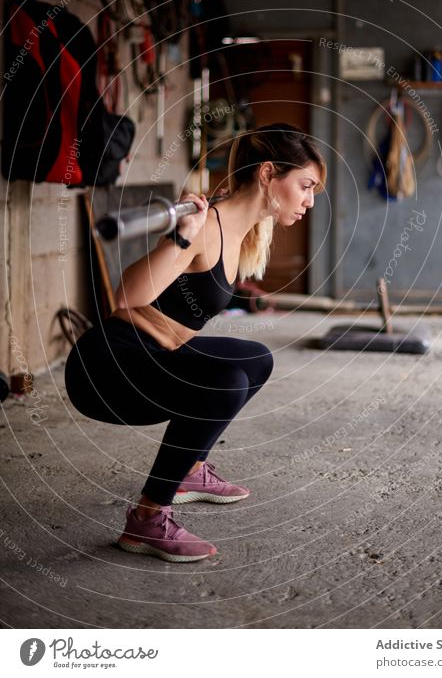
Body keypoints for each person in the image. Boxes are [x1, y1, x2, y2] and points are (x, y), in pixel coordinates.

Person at [64, 123, 326, 563]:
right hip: (107, 368)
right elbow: (126, 299)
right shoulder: (205, 225)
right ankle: (148, 517)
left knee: (256, 360)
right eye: (305, 185)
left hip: (151, 355)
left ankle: (189, 470)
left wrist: (173, 343)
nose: (309, 201)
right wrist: (182, 234)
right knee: (226, 382)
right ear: (267, 174)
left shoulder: (242, 229)